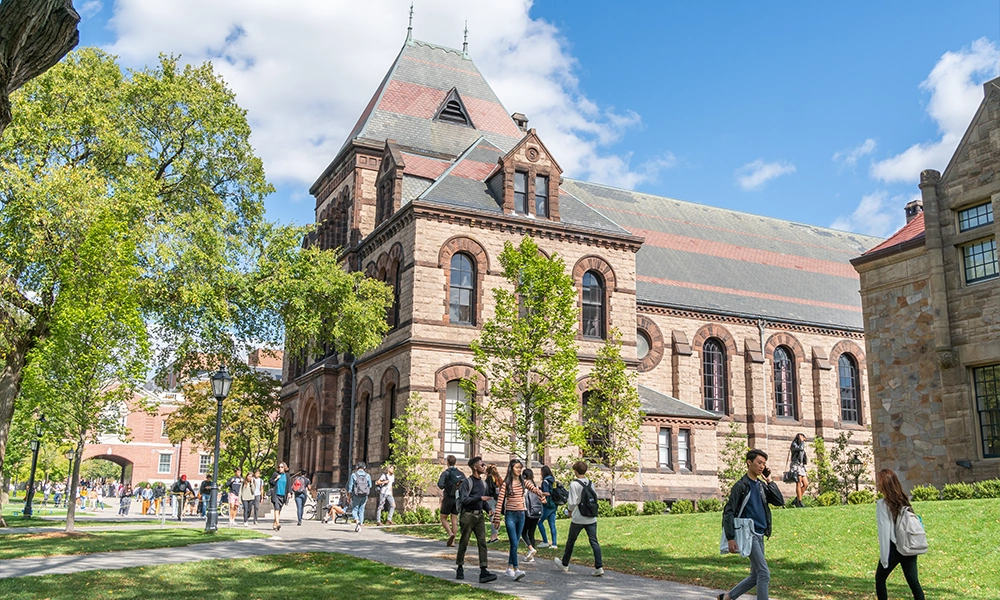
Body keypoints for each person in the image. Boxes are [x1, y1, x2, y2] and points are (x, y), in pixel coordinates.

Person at [719, 449, 784, 600]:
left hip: (760, 533)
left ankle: (728, 597)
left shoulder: (761, 486)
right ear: (749, 462)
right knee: (763, 573)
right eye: (759, 463)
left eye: (764, 464)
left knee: (755, 576)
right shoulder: (741, 486)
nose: (762, 466)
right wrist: (730, 537)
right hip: (748, 534)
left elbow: (779, 501)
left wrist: (769, 480)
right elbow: (728, 512)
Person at [491, 458, 548, 581]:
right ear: (511, 468)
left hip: (521, 514)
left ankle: (509, 567)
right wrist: (496, 519)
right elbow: (500, 501)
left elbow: (534, 489)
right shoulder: (506, 483)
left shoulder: (524, 482)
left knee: (515, 541)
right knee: (514, 542)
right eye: (517, 467)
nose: (519, 470)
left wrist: (542, 495)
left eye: (520, 468)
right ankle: (516, 569)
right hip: (510, 515)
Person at [875, 469, 925, 600]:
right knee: (914, 583)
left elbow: (885, 530)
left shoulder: (882, 504)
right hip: (909, 545)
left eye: (879, 482)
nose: (877, 485)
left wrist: (884, 557)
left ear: (884, 485)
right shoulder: (903, 499)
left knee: (880, 579)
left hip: (893, 547)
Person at [552, 461, 603, 576]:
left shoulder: (574, 484)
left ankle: (565, 563)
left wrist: (569, 511)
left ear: (575, 471)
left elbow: (572, 502)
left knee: (571, 541)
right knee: (594, 541)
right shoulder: (590, 483)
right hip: (591, 518)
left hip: (578, 518)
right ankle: (599, 566)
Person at [454, 456, 498, 584]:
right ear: (475, 467)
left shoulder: (483, 483)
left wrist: (488, 509)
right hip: (467, 516)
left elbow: (482, 501)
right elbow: (464, 500)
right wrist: (480, 498)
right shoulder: (467, 483)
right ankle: (460, 567)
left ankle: (483, 571)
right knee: (464, 542)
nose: (484, 467)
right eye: (482, 464)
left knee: (482, 543)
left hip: (479, 517)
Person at [437, 455, 465, 546]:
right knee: (454, 519)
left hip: (448, 498)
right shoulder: (461, 473)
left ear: (447, 462)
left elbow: (440, 485)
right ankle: (452, 542)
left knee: (443, 517)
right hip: (457, 498)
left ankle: (450, 533)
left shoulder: (446, 473)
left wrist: (446, 486)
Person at [520, 468, 543, 563]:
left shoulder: (524, 486)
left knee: (523, 532)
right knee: (531, 533)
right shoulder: (535, 486)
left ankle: (530, 549)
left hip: (527, 511)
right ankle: (531, 555)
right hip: (536, 512)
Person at [347, 462, 372, 532]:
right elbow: (370, 486)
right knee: (361, 510)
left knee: (354, 509)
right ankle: (360, 527)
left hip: (356, 495)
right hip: (364, 495)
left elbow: (350, 487)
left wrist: (349, 497)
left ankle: (357, 520)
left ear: (357, 467)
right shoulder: (367, 475)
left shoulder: (353, 475)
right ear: (364, 467)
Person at [538, 464, 558, 549]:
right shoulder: (553, 480)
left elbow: (547, 493)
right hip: (554, 504)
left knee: (539, 522)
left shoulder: (545, 481)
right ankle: (554, 543)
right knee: (552, 524)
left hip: (548, 505)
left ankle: (545, 541)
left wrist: (540, 492)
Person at [789, 433, 809, 508]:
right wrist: (802, 441)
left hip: (801, 466)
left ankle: (796, 499)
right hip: (796, 465)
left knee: (806, 484)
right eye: (803, 438)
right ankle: (799, 502)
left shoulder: (801, 445)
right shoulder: (794, 445)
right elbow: (800, 449)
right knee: (798, 483)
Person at [269, 462, 289, 531]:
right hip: (276, 494)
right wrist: (276, 479)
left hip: (283, 495)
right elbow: (271, 482)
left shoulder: (287, 475)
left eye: (282, 467)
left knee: (279, 510)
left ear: (285, 468)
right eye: (279, 467)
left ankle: (274, 524)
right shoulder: (276, 474)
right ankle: (278, 523)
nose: (280, 468)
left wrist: (289, 492)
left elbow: (288, 485)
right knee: (276, 508)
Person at [485, 464, 502, 543]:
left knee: (493, 518)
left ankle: (493, 537)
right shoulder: (498, 478)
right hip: (498, 499)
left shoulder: (489, 478)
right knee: (497, 517)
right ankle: (496, 534)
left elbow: (488, 489)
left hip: (491, 499)